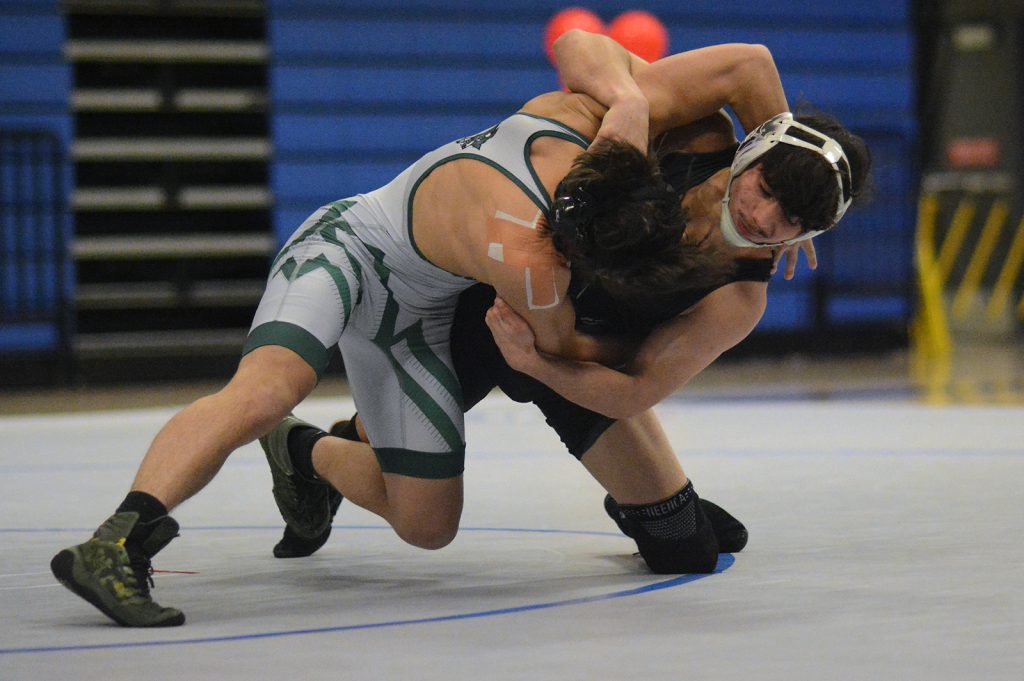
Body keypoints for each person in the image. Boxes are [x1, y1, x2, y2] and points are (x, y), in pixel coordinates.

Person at [50, 32, 868, 628]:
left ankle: (311, 456)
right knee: (272, 387)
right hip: (453, 297)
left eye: (788, 219)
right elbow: (568, 338)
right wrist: (627, 102)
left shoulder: (639, 181)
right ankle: (135, 528)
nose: (760, 215)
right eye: (765, 187)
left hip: (483, 324)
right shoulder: (556, 227)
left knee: (642, 540)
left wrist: (627, 100)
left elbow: (636, 382)